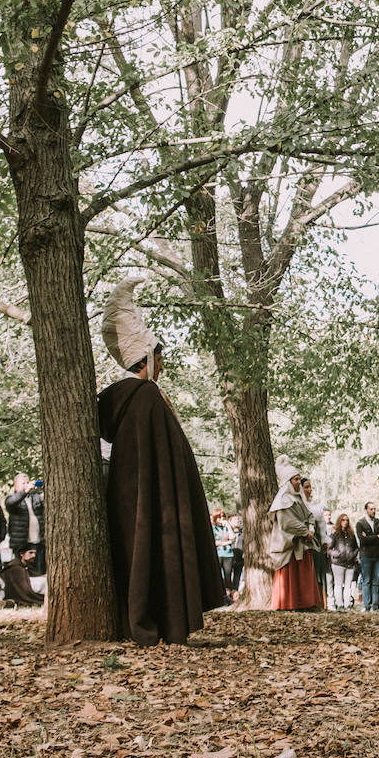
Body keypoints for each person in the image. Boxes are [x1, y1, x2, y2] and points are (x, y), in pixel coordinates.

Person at [98, 276, 228, 644]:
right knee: (156, 550)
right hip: (149, 500)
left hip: (132, 500)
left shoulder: (128, 399)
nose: (163, 364)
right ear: (148, 360)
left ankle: (152, 620)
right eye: (160, 357)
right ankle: (161, 622)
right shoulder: (145, 397)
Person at [268, 458, 321, 611]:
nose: (299, 482)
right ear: (288, 481)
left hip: (302, 543)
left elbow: (309, 515)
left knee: (303, 574)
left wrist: (310, 529)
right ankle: (289, 603)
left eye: (299, 479)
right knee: (290, 574)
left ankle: (306, 603)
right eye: (296, 479)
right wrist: (305, 532)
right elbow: (288, 522)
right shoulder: (283, 500)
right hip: (290, 544)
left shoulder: (298, 498)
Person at [5, 474, 46, 575]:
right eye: (23, 483)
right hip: (21, 543)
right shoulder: (12, 498)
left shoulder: (36, 497)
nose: (26, 485)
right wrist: (25, 491)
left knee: (39, 570)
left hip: (37, 541)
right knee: (21, 571)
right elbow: (10, 503)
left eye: (28, 483)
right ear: (15, 486)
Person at [355, 501, 379, 612]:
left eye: (374, 509)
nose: (373, 511)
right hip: (366, 556)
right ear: (366, 510)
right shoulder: (360, 523)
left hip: (377, 556)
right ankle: (366, 605)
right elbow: (362, 540)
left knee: (376, 581)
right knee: (366, 581)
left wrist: (370, 537)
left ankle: (375, 605)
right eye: (371, 509)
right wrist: (376, 537)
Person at [304, 479, 332, 606]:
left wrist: (325, 541)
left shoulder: (316, 506)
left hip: (316, 541)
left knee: (318, 572)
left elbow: (321, 526)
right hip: (302, 542)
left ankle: (320, 602)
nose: (309, 490)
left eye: (310, 487)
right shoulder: (297, 504)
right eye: (306, 487)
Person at [328, 513, 359, 609]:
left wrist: (354, 555)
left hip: (350, 563)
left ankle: (347, 604)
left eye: (347, 520)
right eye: (343, 520)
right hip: (338, 563)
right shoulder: (335, 535)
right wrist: (335, 554)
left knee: (348, 585)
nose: (345, 522)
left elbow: (356, 547)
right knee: (338, 584)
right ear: (339, 521)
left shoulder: (351, 535)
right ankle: (340, 604)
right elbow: (328, 548)